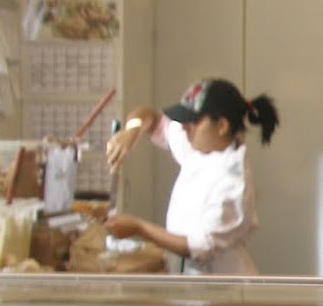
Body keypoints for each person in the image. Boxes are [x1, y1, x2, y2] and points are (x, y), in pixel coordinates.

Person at [104, 78, 279, 276]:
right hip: (187, 286)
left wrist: (139, 228)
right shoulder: (200, 149)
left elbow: (199, 247)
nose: (185, 128)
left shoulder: (233, 181)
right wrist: (132, 130)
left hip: (221, 291)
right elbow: (150, 117)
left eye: (193, 122)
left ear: (221, 126)